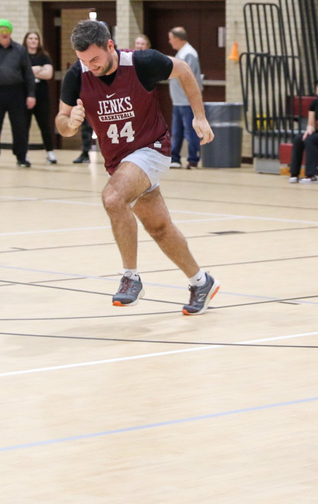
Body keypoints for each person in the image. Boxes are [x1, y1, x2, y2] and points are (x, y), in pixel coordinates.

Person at [55, 20, 220, 315]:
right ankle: (201, 281)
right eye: (83, 60)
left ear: (110, 46)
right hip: (120, 162)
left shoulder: (141, 63)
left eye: (95, 58)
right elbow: (62, 122)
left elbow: (182, 69)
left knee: (113, 198)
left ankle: (131, 277)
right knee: (159, 227)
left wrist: (199, 116)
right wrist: (70, 123)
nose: (90, 65)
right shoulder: (76, 75)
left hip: (152, 149)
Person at [0, 19, 35, 167]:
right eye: (1, 30)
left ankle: (21, 157)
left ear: (10, 32)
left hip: (17, 92)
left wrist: (31, 94)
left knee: (20, 126)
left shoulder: (20, 50)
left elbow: (28, 73)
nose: (4, 33)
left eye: (6, 30)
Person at [167, 27, 203, 169]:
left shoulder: (189, 53)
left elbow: (189, 77)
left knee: (190, 131)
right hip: (178, 100)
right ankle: (175, 158)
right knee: (177, 132)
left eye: (170, 39)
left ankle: (193, 159)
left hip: (187, 101)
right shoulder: (181, 53)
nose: (170, 42)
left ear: (177, 38)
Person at [23, 31, 56, 164]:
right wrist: (37, 70)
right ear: (26, 40)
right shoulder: (21, 55)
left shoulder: (44, 56)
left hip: (42, 96)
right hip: (25, 96)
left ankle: (50, 153)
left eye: (36, 38)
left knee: (45, 125)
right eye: (30, 38)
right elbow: (20, 73)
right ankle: (23, 154)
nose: (33, 41)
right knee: (23, 126)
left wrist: (30, 70)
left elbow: (48, 74)